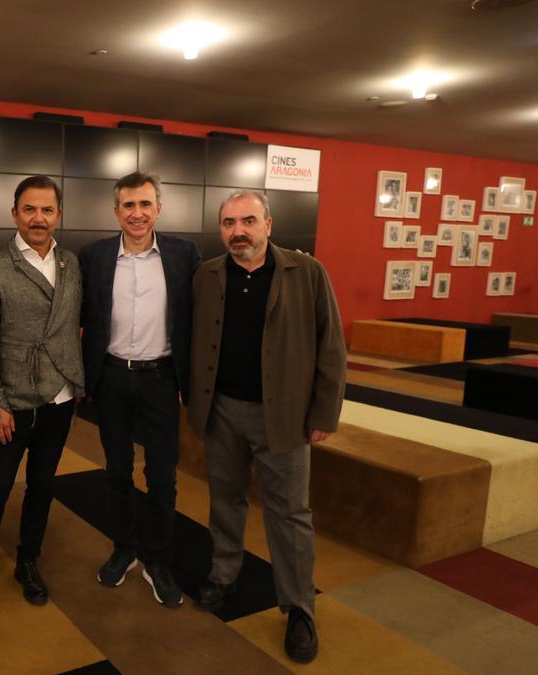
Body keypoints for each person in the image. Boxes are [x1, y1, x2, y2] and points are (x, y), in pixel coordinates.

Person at [188, 190, 345, 664]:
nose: (239, 231)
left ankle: (299, 610)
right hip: (223, 411)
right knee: (226, 501)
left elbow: (331, 348)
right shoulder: (207, 275)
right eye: (230, 222)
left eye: (249, 221)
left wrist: (323, 414)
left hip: (285, 416)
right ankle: (223, 575)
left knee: (290, 516)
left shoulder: (307, 273)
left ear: (269, 225)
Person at [0, 175, 84, 616]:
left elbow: (73, 326)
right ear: (15, 214)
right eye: (30, 209)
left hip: (60, 395)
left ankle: (28, 562)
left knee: (43, 487)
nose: (39, 218)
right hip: (11, 401)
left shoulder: (71, 264)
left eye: (47, 210)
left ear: (59, 215)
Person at [79, 172, 200, 606]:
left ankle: (158, 560)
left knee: (162, 476)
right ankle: (124, 549)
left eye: (145, 204)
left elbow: (209, 308)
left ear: (159, 209)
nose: (137, 213)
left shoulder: (185, 255)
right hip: (110, 377)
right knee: (116, 470)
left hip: (161, 378)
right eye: (128, 205)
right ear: (116, 212)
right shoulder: (92, 257)